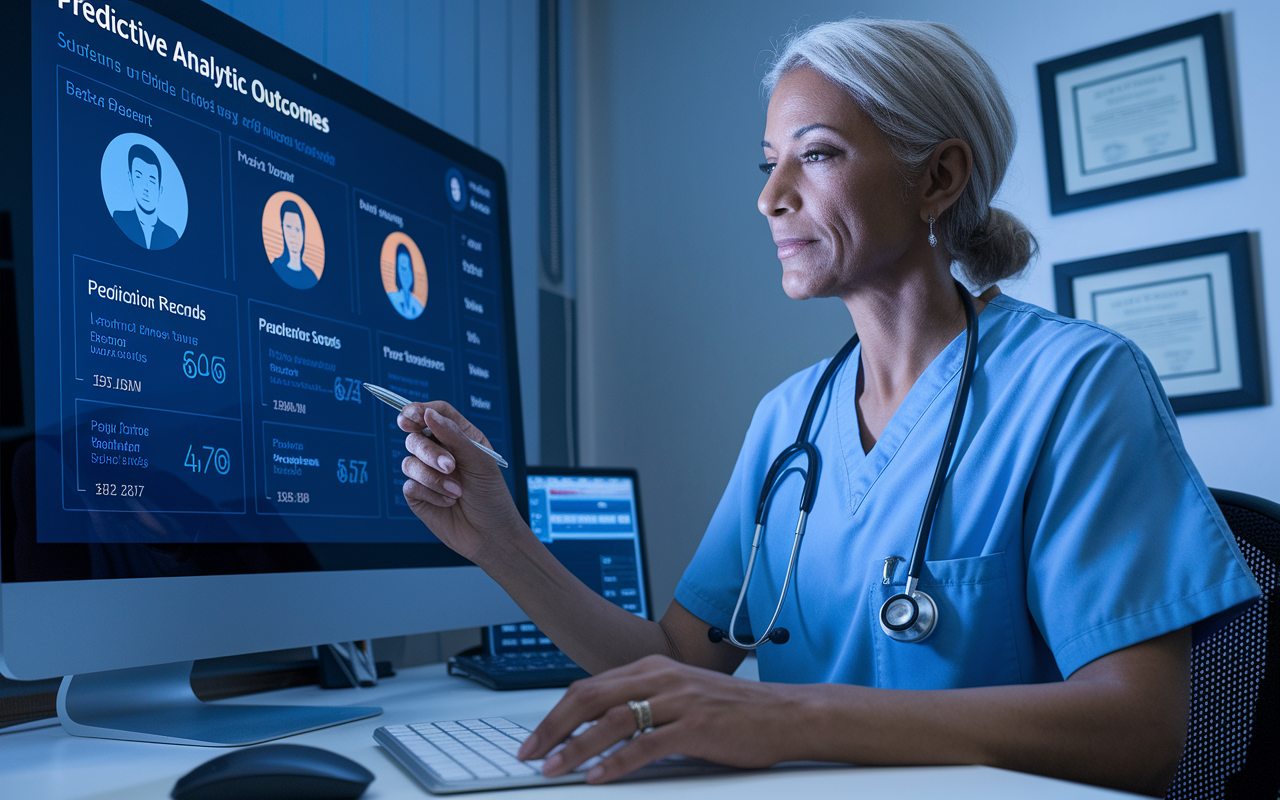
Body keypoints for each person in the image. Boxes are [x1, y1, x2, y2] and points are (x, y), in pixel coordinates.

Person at [394, 18, 1260, 796]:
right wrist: (501, 543)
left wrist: (793, 719)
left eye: (816, 154)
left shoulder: (1077, 384)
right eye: (769, 164)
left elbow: (1138, 731)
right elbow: (677, 661)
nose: (771, 199)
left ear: (938, 177)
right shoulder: (789, 419)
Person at [111, 143, 180, 250]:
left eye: (152, 181)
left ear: (160, 189)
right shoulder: (119, 219)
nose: (145, 187)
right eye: (139, 177)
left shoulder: (170, 235)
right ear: (131, 180)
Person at [270, 199, 318, 289]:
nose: (293, 235)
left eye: (297, 229)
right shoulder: (276, 267)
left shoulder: (311, 277)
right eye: (288, 227)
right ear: (282, 230)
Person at [387, 243, 425, 319]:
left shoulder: (418, 307)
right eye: (403, 268)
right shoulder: (392, 298)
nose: (406, 273)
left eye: (408, 267)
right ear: (397, 273)